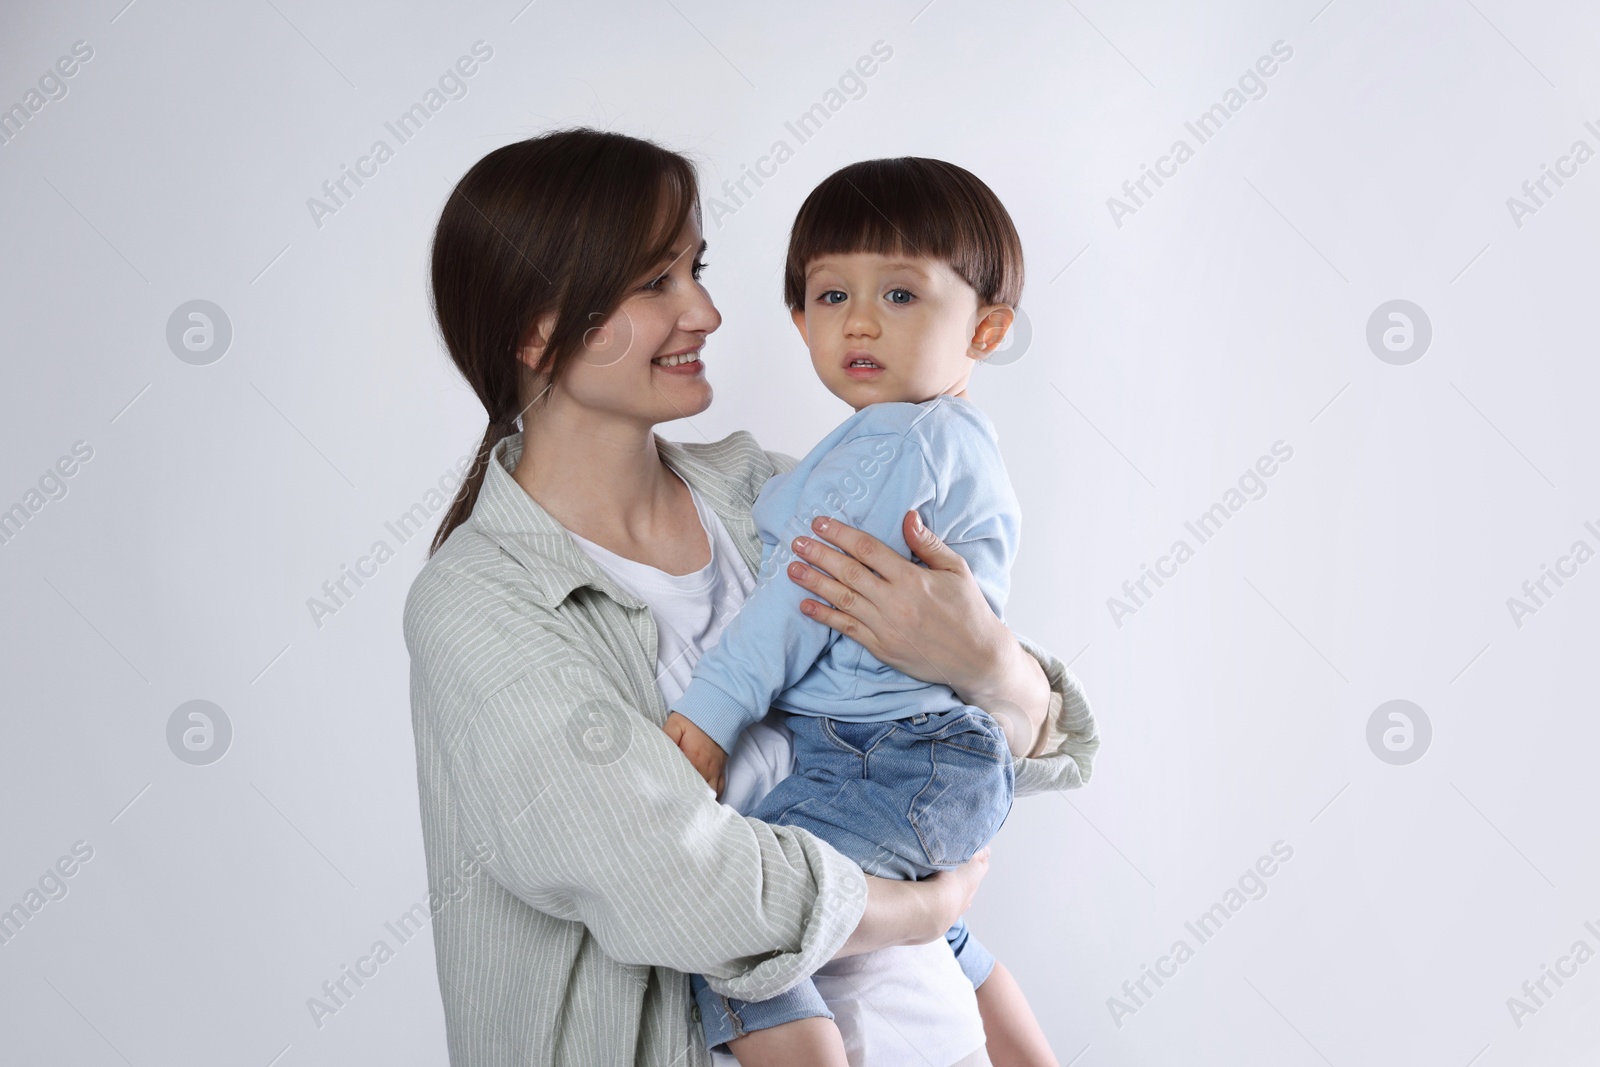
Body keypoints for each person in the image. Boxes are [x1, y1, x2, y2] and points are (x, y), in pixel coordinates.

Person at [403, 127, 1100, 1067]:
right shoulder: (482, 603)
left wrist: (990, 664)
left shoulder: (769, 494)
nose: (709, 311)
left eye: (696, 268)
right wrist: (922, 906)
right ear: (538, 328)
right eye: (658, 283)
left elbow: (1034, 752)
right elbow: (682, 884)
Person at [664, 157, 1058, 1065]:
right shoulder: (898, 439)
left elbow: (807, 593)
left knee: (746, 926)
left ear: (987, 327)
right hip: (918, 754)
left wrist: (713, 707)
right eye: (832, 294)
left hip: (896, 753)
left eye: (903, 295)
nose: (863, 320)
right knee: (907, 919)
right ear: (798, 319)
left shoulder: (902, 441)